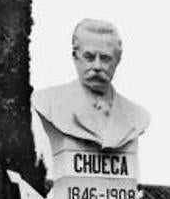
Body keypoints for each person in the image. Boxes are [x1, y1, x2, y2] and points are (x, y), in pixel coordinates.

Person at [32, 18, 150, 151]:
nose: (97, 66)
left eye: (105, 58)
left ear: (117, 60)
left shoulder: (137, 116)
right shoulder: (48, 102)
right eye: (89, 57)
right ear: (75, 57)